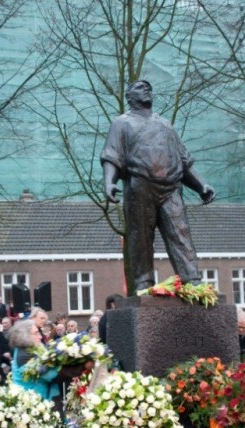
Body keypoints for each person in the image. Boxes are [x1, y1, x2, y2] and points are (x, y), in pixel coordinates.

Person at [102, 79, 216, 291]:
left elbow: (183, 161)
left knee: (180, 232)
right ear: (128, 96)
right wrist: (109, 182)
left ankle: (192, 280)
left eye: (149, 87)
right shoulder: (121, 123)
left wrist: (201, 185)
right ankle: (143, 283)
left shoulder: (165, 125)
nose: (146, 89)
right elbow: (112, 155)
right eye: (139, 87)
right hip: (140, 187)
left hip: (171, 188)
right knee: (141, 237)